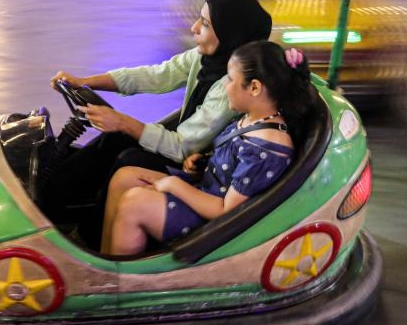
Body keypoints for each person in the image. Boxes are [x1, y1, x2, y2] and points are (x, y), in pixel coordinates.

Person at [43, 0, 273, 230]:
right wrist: (85, 82)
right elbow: (155, 76)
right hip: (184, 148)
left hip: (197, 165)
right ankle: (49, 207)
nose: (194, 27)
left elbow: (183, 147)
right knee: (113, 141)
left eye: (204, 24)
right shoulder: (205, 58)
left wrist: (122, 121)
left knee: (128, 158)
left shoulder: (232, 87)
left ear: (229, 35)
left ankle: (87, 235)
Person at [101, 41, 314, 256]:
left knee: (134, 203)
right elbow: (230, 162)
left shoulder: (266, 147)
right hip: (205, 190)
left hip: (214, 225)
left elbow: (226, 212)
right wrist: (201, 162)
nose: (224, 86)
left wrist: (174, 185)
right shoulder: (250, 119)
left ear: (255, 88)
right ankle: (105, 260)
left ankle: (118, 281)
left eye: (230, 79)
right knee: (125, 177)